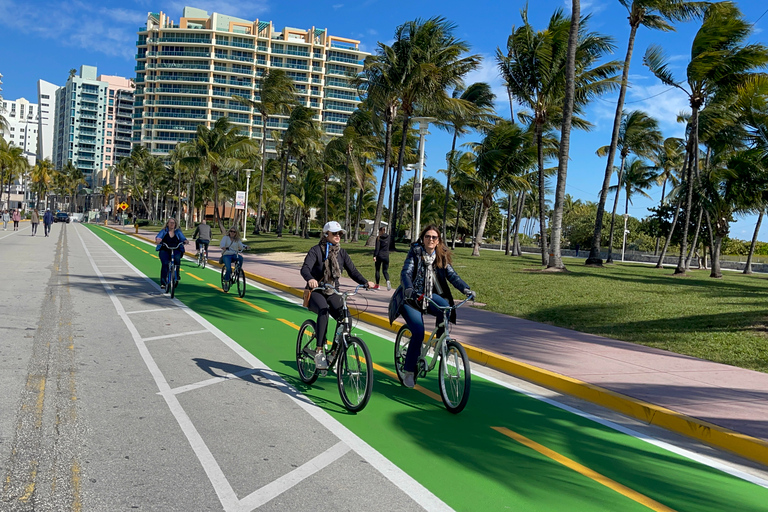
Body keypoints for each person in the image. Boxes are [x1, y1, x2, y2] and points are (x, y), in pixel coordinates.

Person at [388, 224, 474, 388]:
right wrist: (408, 289)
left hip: (428, 295)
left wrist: (466, 289)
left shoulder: (441, 256)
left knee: (446, 307)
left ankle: (440, 342)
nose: (431, 240)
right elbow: (406, 272)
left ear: (438, 240)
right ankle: (409, 371)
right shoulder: (415, 252)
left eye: (434, 237)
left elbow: (452, 275)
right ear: (423, 238)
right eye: (428, 236)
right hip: (411, 298)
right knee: (418, 332)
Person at [300, 221, 374, 370]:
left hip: (333, 290)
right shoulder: (316, 251)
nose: (338, 236)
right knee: (323, 310)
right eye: (335, 233)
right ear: (326, 234)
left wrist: (365, 282)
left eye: (340, 233)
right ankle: (319, 351)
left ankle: (334, 352)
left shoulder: (342, 253)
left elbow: (352, 271)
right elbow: (305, 268)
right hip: (317, 291)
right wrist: (311, 279)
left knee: (346, 318)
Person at [154, 217, 187, 287]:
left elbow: (183, 238)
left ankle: (176, 276)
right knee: (165, 264)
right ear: (167, 224)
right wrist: (158, 240)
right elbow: (158, 237)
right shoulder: (164, 231)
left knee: (177, 261)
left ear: (175, 224)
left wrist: (185, 241)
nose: (172, 224)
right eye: (170, 223)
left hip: (176, 249)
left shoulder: (177, 231)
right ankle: (163, 283)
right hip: (165, 249)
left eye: (173, 223)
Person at [373, 226, 391, 290]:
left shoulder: (378, 238)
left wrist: (375, 256)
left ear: (380, 231)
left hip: (379, 256)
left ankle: (377, 285)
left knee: (377, 270)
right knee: (385, 271)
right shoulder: (388, 237)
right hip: (386, 256)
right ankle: (388, 281)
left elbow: (377, 248)